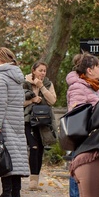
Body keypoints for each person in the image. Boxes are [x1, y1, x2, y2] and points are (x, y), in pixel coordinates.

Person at [0, 48, 30, 197]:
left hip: (4, 121)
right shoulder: (16, 78)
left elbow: (0, 104)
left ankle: (6, 194)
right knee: (16, 157)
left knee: (4, 155)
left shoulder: (1, 78)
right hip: (17, 121)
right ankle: (16, 195)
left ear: (3, 60)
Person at [65, 53, 99, 197]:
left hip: (91, 135)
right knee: (77, 168)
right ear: (89, 70)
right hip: (81, 135)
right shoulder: (78, 87)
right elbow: (77, 111)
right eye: (98, 66)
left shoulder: (92, 86)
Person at [23, 61, 57, 190]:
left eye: (44, 71)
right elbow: (18, 101)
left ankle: (35, 182)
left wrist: (41, 87)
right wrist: (32, 100)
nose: (43, 73)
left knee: (40, 149)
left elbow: (52, 100)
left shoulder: (48, 84)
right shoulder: (24, 83)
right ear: (33, 71)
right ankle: (32, 181)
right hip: (28, 120)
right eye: (40, 70)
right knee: (34, 147)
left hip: (43, 121)